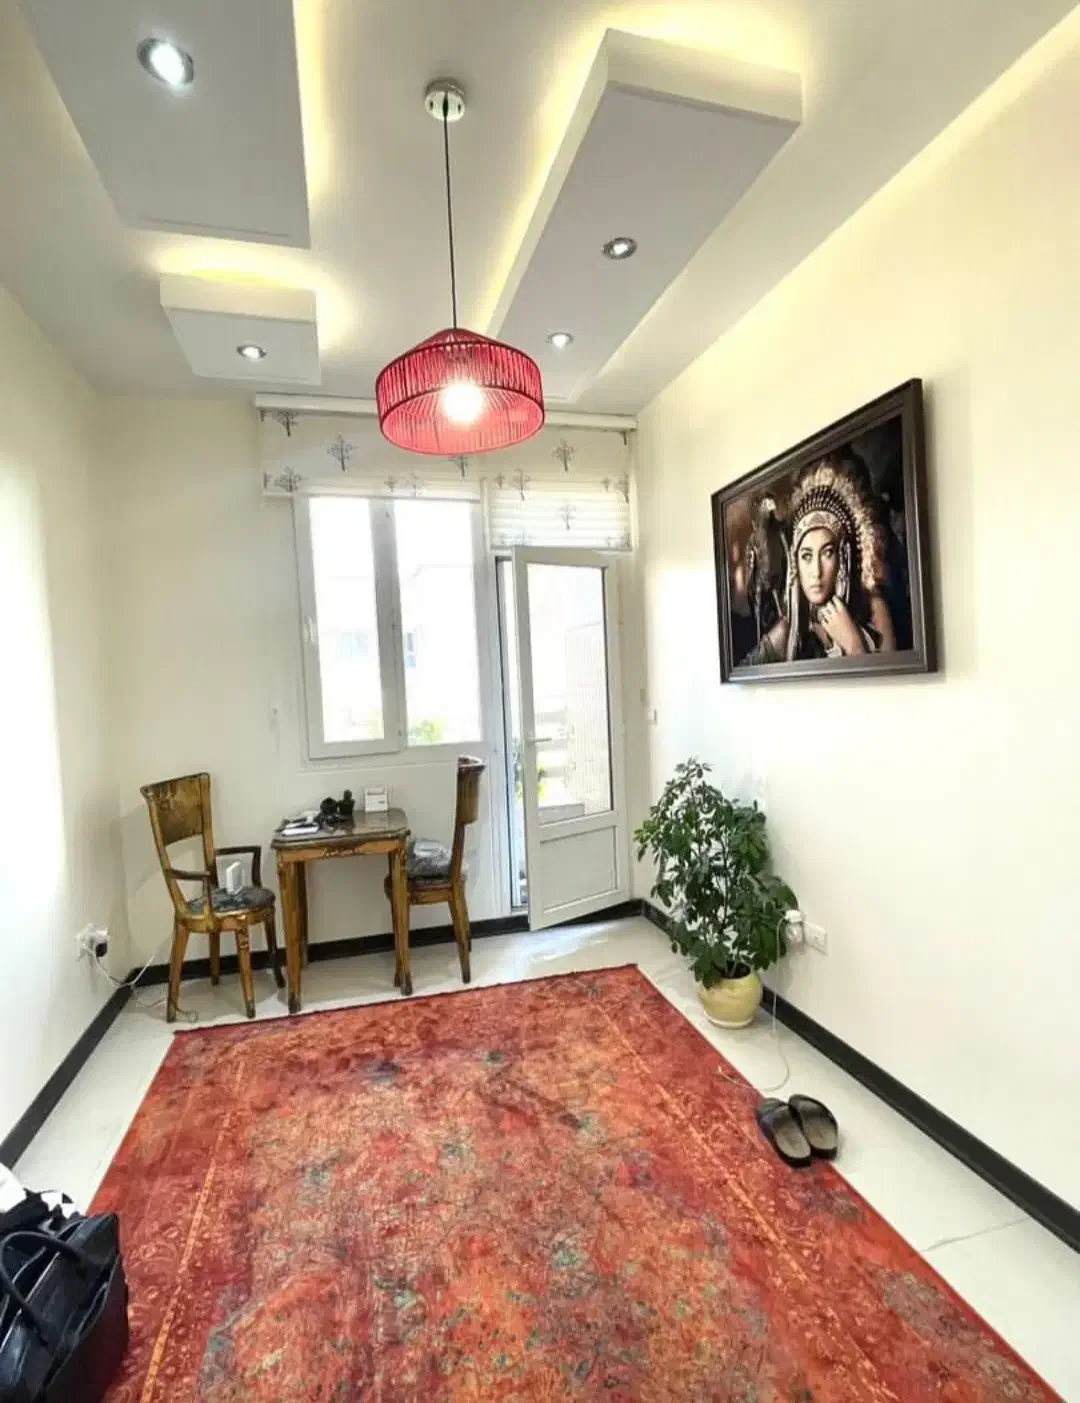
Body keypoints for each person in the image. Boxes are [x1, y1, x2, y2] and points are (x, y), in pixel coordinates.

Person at [740, 457, 895, 664]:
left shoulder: (874, 611)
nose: (816, 571)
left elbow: (891, 683)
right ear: (795, 564)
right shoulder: (789, 632)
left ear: (842, 558)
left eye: (827, 553)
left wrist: (853, 643)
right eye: (806, 556)